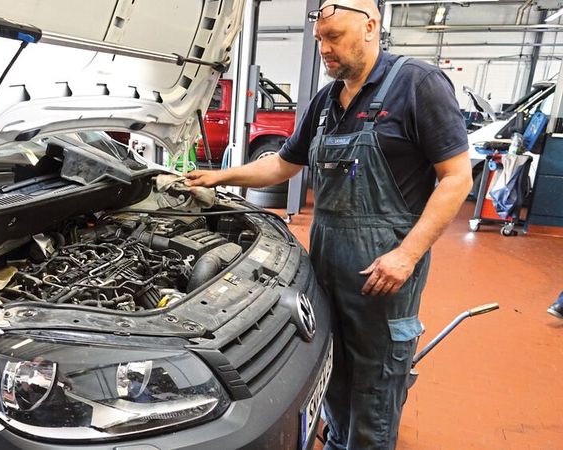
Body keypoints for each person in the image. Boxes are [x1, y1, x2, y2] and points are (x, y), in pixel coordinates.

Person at [185, 0, 473, 448]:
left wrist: (407, 254)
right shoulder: (325, 100)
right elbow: (282, 166)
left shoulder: (417, 84)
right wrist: (220, 176)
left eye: (334, 37)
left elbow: (457, 177)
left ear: (371, 27)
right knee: (331, 364)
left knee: (375, 381)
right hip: (326, 262)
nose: (325, 49)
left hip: (384, 270)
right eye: (320, 40)